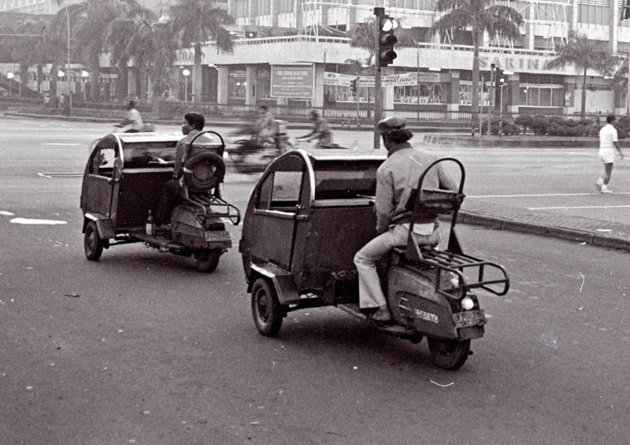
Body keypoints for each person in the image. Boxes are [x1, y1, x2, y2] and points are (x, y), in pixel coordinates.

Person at [353, 117, 458, 322]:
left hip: (404, 234)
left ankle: (381, 308)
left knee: (363, 259)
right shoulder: (431, 158)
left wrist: (381, 229)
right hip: (433, 233)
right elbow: (453, 191)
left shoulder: (387, 167)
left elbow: (383, 212)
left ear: (386, 139)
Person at [156, 112, 207, 225]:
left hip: (188, 184)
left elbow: (177, 170)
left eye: (184, 123)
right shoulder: (212, 140)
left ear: (192, 126)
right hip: (207, 183)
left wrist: (175, 175)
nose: (181, 126)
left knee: (168, 186)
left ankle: (162, 222)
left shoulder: (184, 142)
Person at [595, 115, 624, 194]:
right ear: (612, 121)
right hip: (608, 151)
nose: (616, 122)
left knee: (606, 168)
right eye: (615, 120)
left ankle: (600, 181)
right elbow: (615, 142)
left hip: (601, 150)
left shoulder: (602, 129)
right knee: (609, 171)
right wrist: (620, 152)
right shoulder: (613, 130)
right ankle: (604, 188)